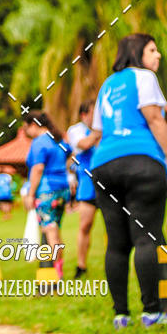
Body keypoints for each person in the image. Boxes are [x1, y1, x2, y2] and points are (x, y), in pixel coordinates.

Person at [90, 33, 167, 328]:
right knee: (146, 238)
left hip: (103, 166)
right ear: (139, 52)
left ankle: (121, 315)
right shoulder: (144, 77)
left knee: (116, 244)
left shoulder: (106, 85)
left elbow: (98, 131)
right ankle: (152, 312)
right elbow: (154, 118)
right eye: (153, 50)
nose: (158, 56)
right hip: (141, 162)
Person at [23, 110, 71, 280]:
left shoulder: (39, 143)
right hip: (63, 189)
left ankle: (57, 275)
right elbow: (70, 153)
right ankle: (60, 268)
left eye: (26, 128)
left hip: (46, 191)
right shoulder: (57, 139)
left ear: (34, 125)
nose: (26, 132)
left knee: (50, 231)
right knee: (56, 231)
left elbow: (37, 169)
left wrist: (30, 194)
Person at [66, 101, 98, 278]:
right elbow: (83, 144)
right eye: (94, 112)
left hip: (108, 181)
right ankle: (81, 265)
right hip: (87, 183)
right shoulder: (76, 130)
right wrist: (99, 132)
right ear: (84, 114)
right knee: (85, 225)